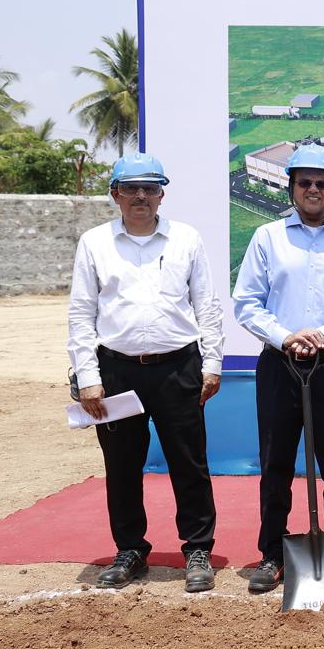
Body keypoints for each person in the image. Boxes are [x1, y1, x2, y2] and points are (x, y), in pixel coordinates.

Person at [67, 152, 223, 592]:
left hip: (179, 368)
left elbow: (207, 306)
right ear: (114, 194)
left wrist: (212, 364)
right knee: (121, 465)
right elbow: (81, 314)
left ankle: (197, 549)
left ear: (162, 195)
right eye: (131, 188)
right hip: (115, 373)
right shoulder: (94, 243)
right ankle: (130, 549)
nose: (141, 196)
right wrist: (88, 377)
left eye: (150, 188)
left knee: (189, 463)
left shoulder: (186, 239)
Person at [233, 142, 324, 593]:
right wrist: (285, 336)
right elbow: (247, 303)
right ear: (291, 188)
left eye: (322, 182)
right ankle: (272, 553)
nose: (313, 189)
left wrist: (321, 335)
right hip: (279, 366)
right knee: (276, 462)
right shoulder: (267, 238)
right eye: (305, 182)